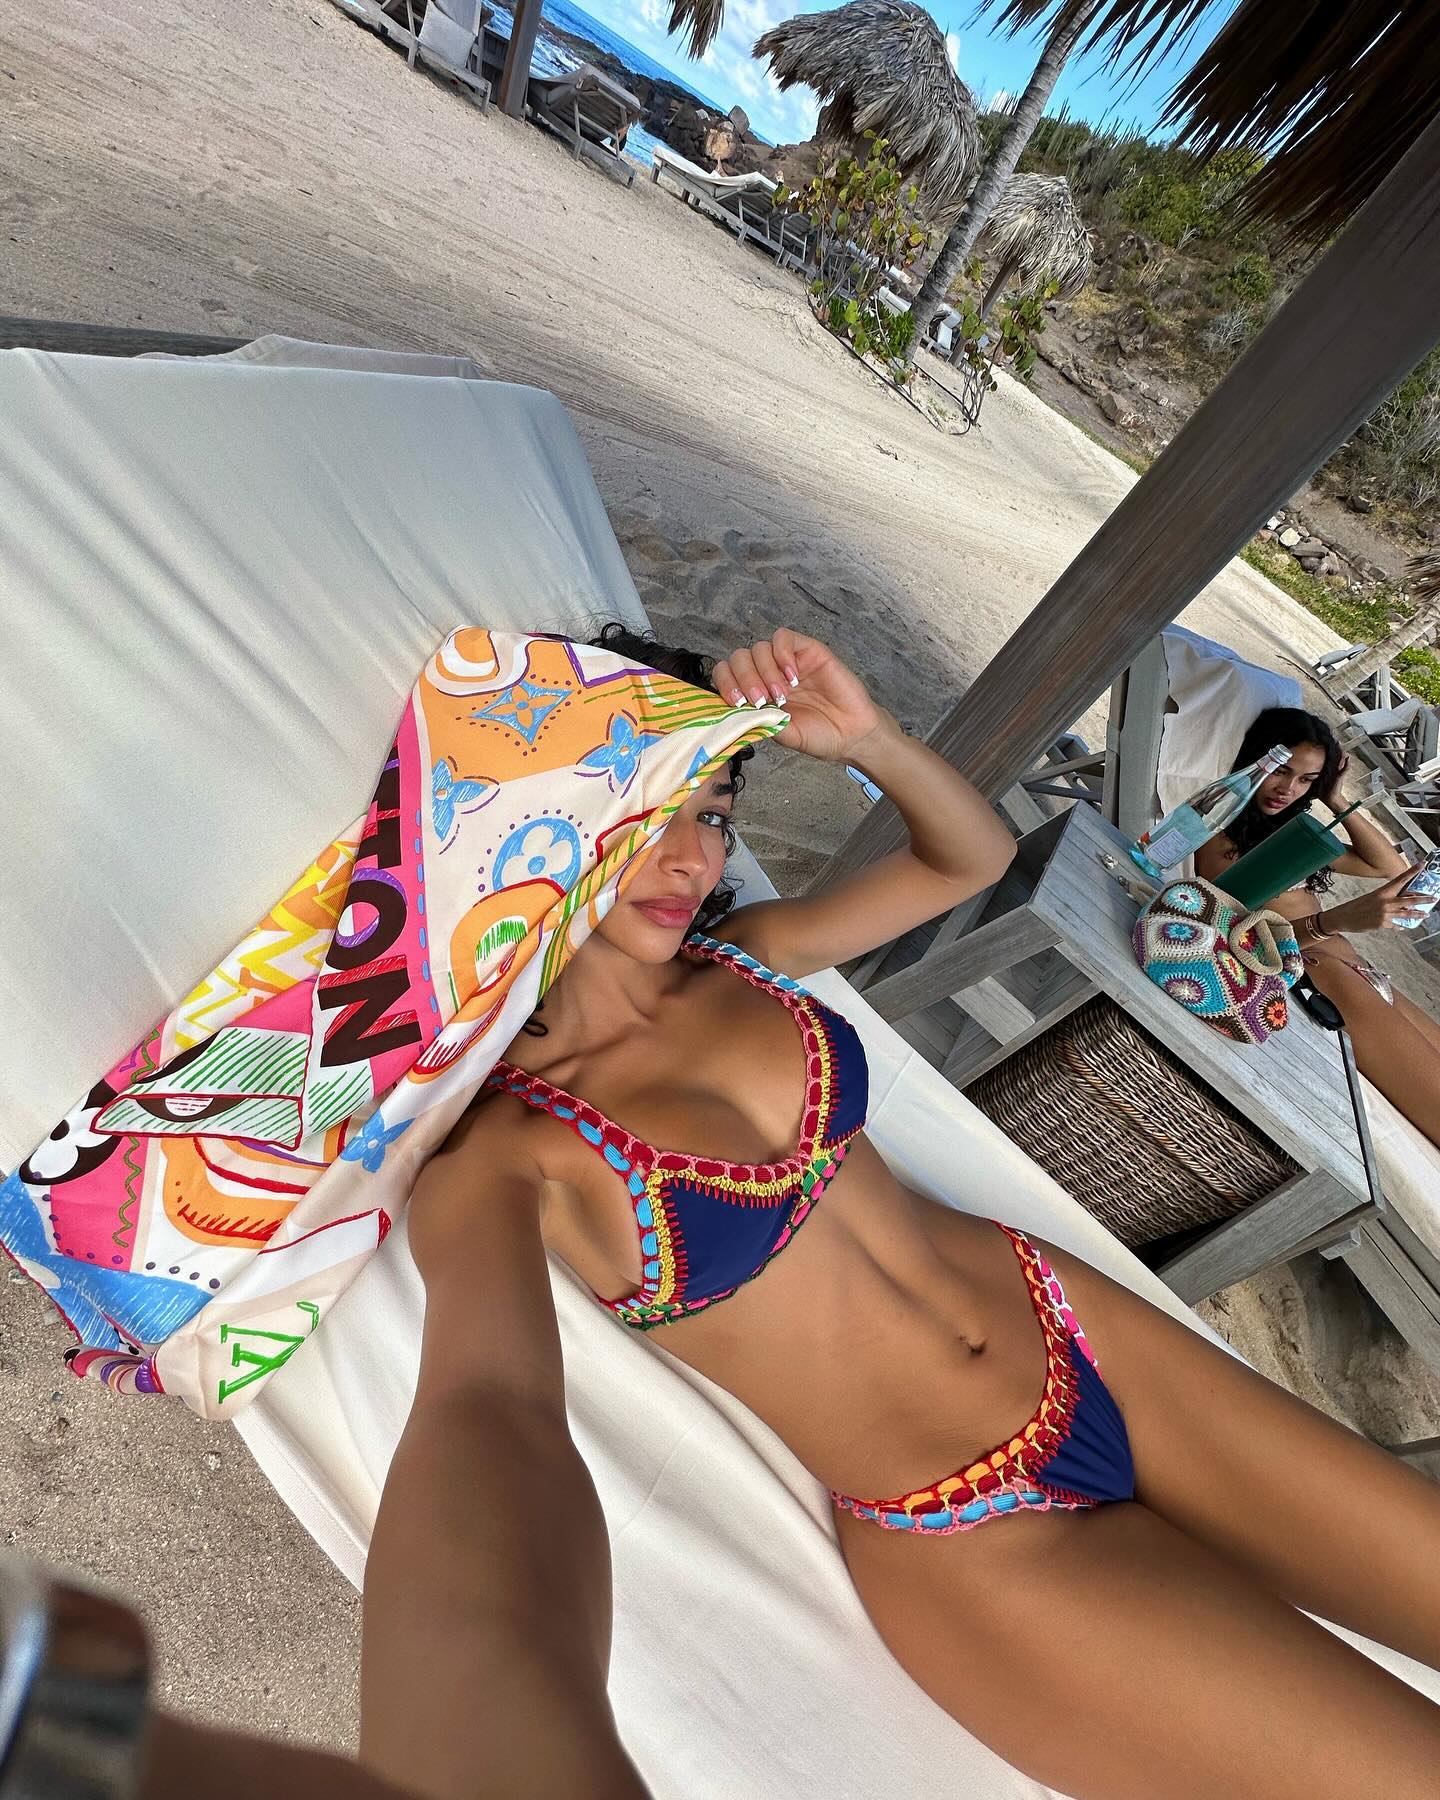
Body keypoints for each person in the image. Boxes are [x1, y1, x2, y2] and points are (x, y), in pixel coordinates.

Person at [386, 629, 1440, 1800]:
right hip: (978, 1538)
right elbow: (490, 1409)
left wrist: (871, 739)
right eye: (656, 811)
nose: (693, 856)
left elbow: (968, 857)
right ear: (540, 819)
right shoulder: (508, 1151)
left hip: (1080, 1332)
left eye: (717, 812)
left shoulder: (747, 957)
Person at [1195, 706, 1440, 1148]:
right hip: (1320, 979)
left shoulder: (1291, 832)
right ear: (1256, 760)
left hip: (1361, 974)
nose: (1288, 789)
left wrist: (1336, 799)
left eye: (1306, 779)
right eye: (1281, 770)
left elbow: (1386, 866)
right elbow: (1242, 940)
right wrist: (1336, 921)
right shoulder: (1221, 840)